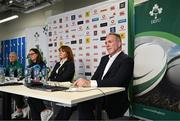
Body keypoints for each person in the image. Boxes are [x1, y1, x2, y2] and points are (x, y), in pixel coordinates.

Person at [73, 32, 134, 120]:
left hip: (114, 100)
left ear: (119, 43)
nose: (107, 45)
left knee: (84, 103)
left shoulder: (127, 60)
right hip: (98, 96)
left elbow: (117, 81)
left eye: (110, 42)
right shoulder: (104, 59)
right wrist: (85, 83)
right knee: (81, 102)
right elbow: (95, 77)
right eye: (106, 43)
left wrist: (89, 83)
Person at [49, 45, 75, 120]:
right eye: (59, 51)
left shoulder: (70, 63)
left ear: (68, 53)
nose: (60, 53)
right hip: (55, 86)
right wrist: (54, 78)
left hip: (65, 88)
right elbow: (51, 76)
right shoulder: (58, 64)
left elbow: (65, 78)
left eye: (62, 51)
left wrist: (54, 78)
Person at [27, 48, 53, 121]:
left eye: (32, 54)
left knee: (32, 98)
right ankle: (40, 115)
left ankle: (45, 111)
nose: (30, 56)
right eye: (30, 54)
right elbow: (29, 75)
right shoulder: (30, 65)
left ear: (37, 54)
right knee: (30, 99)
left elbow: (44, 77)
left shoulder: (42, 64)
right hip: (33, 85)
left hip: (40, 86)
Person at [5, 52, 28, 119]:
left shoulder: (19, 65)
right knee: (6, 93)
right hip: (10, 84)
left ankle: (20, 108)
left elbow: (19, 76)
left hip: (18, 84)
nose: (11, 58)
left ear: (16, 57)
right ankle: (19, 108)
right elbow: (6, 75)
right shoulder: (8, 65)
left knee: (15, 92)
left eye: (12, 56)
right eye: (10, 57)